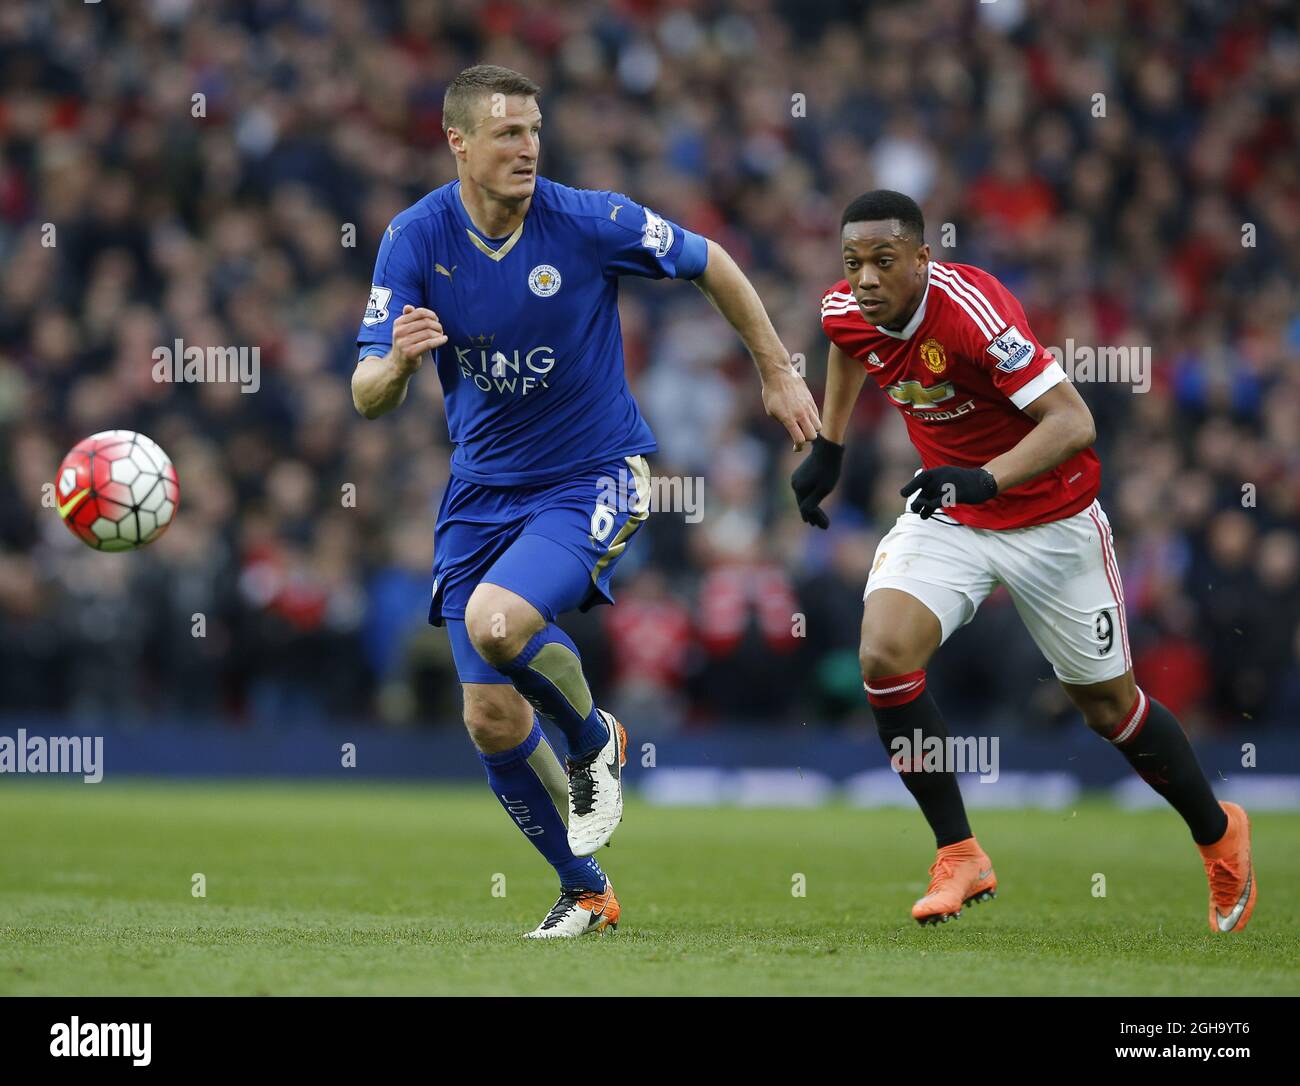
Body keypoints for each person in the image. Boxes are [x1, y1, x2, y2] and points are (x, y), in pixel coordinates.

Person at [352, 64, 819, 938]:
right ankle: (586, 890)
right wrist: (398, 364)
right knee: (490, 717)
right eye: (506, 133)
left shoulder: (588, 220)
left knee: (499, 621)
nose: (528, 147)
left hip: (594, 473)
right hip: (479, 494)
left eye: (534, 130)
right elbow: (365, 391)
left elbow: (710, 260)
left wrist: (775, 368)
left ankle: (596, 738)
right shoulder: (414, 238)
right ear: (459, 144)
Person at [791, 189, 1255, 932]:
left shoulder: (972, 313)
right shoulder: (846, 308)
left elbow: (1075, 421)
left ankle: (1217, 831)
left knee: (1110, 709)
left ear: (922, 258)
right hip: (953, 513)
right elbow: (847, 344)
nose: (866, 279)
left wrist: (986, 475)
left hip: (1054, 519)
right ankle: (959, 852)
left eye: (883, 261)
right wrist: (831, 447)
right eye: (853, 263)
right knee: (882, 654)